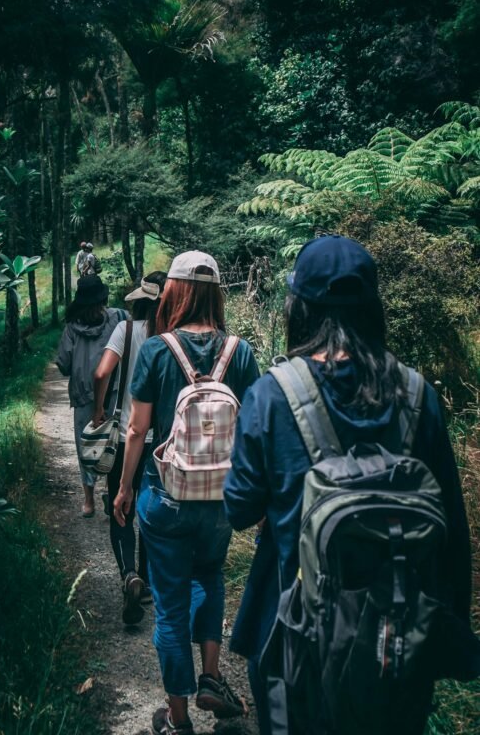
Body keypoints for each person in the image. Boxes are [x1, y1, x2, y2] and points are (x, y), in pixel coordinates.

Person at [223, 235, 479, 735]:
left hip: (296, 642)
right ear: (372, 308)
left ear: (299, 307)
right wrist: (450, 634)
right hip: (397, 641)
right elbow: (451, 527)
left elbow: (238, 508)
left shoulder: (272, 396)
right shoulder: (416, 395)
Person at [113, 251, 260, 735]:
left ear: (172, 291)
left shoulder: (158, 350)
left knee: (170, 605)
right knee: (210, 577)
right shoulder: (239, 351)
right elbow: (254, 427)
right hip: (221, 497)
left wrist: (125, 487)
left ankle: (177, 720)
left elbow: (136, 431)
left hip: (166, 493)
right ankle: (212, 678)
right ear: (216, 293)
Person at [93, 271, 168, 626]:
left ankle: (128, 574)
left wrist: (98, 409)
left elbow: (100, 373)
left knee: (119, 508)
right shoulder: (172, 338)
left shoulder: (125, 331)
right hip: (163, 444)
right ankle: (149, 580)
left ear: (139, 300)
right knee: (150, 510)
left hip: (126, 437)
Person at [55, 275, 128, 517]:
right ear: (103, 297)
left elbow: (63, 364)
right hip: (115, 393)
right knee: (115, 443)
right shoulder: (118, 317)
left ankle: (89, 501)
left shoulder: (71, 328)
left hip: (84, 395)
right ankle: (111, 490)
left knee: (86, 446)